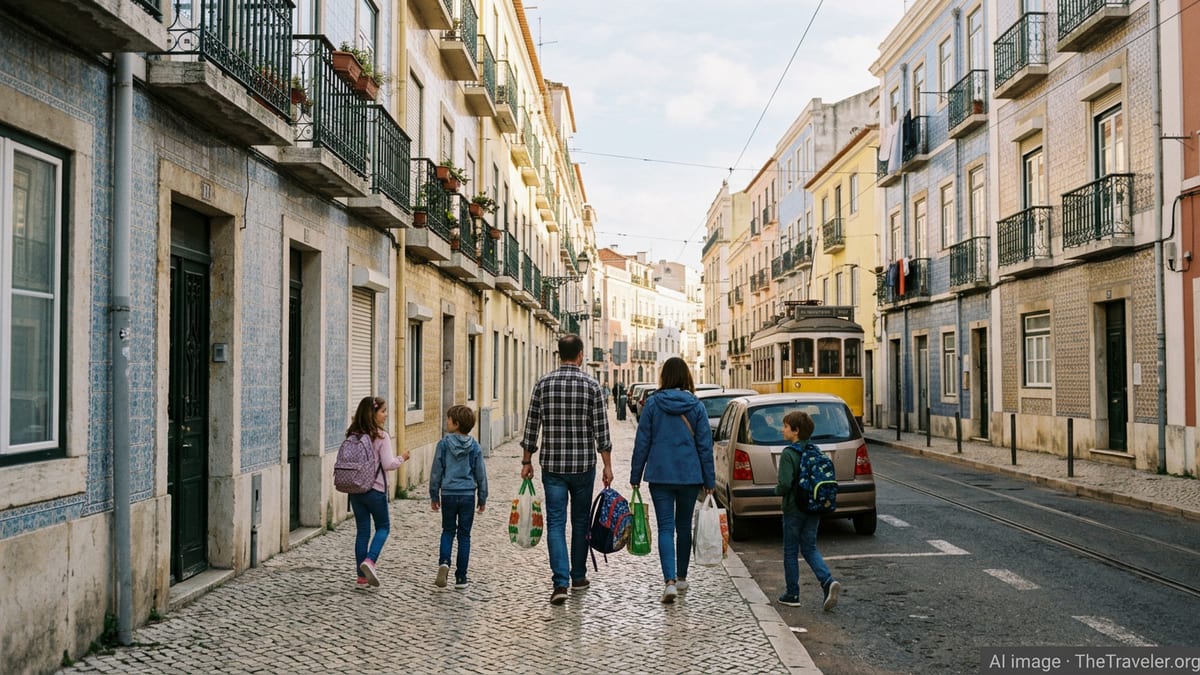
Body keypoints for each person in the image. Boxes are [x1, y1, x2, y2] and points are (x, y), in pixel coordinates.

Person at [521, 334, 613, 605]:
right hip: (584, 466)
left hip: (553, 466)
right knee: (581, 522)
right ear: (581, 354)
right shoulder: (592, 386)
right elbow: (602, 432)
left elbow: (531, 426)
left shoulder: (543, 384)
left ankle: (560, 583)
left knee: (556, 523)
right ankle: (578, 576)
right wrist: (607, 465)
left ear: (558, 353)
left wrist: (526, 461)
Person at [629, 357, 715, 604]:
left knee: (665, 527)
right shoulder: (697, 407)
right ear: (686, 377)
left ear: (664, 377)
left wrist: (635, 475)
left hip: (660, 475)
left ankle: (668, 582)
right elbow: (705, 447)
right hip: (689, 476)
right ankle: (681, 577)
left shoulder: (654, 405)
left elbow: (642, 442)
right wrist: (709, 480)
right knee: (683, 526)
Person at [774, 410, 841, 610]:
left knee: (790, 551)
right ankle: (827, 582)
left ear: (795, 431)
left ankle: (792, 594)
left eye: (785, 426)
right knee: (810, 548)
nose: (782, 429)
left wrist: (776, 489)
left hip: (794, 508)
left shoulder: (788, 453)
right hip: (813, 507)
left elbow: (785, 484)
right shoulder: (815, 450)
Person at [346, 396, 409, 589]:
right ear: (373, 414)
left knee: (362, 531)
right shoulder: (381, 437)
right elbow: (388, 464)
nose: (386, 414)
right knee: (383, 527)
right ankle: (370, 561)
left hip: (356, 490)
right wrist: (402, 458)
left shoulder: (352, 435)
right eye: (383, 411)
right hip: (376, 490)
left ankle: (361, 577)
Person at [430, 404, 488, 590]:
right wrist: (483, 497)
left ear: (455, 423)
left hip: (448, 494)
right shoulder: (475, 447)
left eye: (448, 419)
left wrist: (434, 494)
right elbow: (481, 474)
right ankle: (461, 578)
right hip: (467, 495)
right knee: (464, 535)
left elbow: (436, 472)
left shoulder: (444, 444)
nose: (446, 422)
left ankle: (444, 562)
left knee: (447, 531)